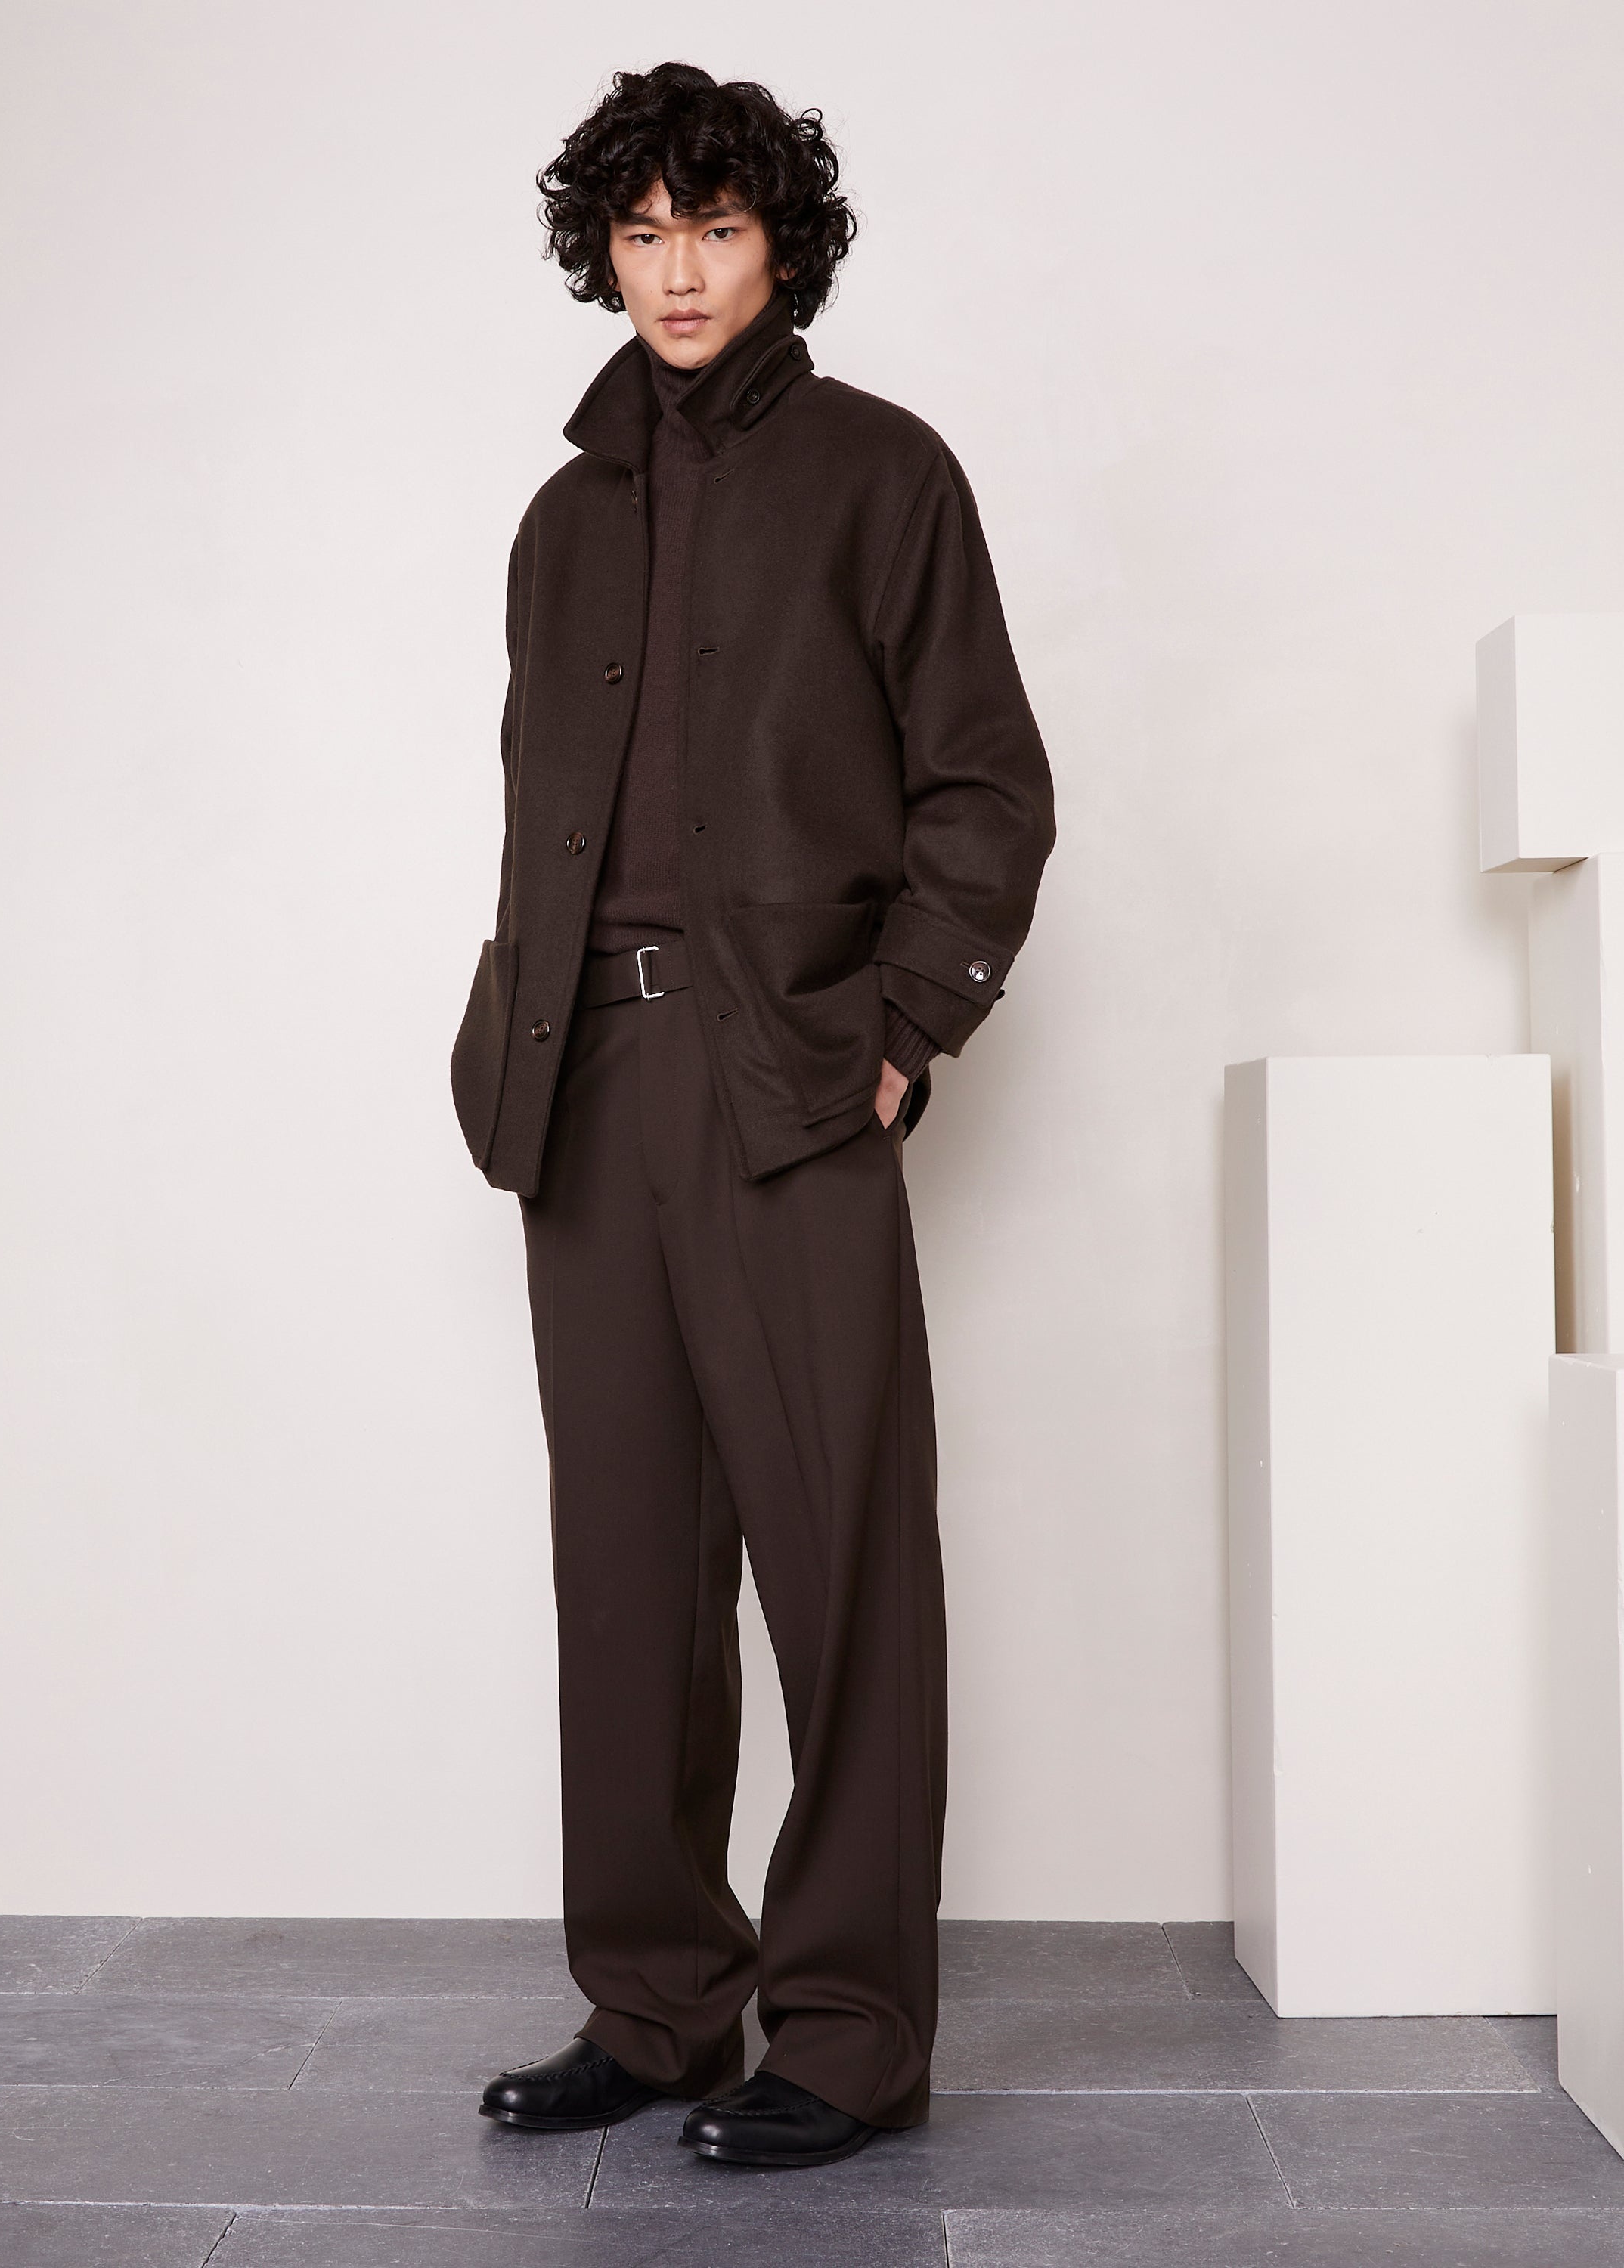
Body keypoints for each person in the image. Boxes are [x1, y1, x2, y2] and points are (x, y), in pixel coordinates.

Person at [451, 60, 1055, 2170]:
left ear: (781, 242)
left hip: (790, 1081)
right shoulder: (561, 522)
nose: (681, 271)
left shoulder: (886, 476)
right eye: (644, 233)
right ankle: (654, 2006)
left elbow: (987, 786)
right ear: (602, 254)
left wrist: (904, 1024)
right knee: (625, 1572)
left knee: (841, 1563)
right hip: (585, 1090)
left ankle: (855, 2034)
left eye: (716, 228)